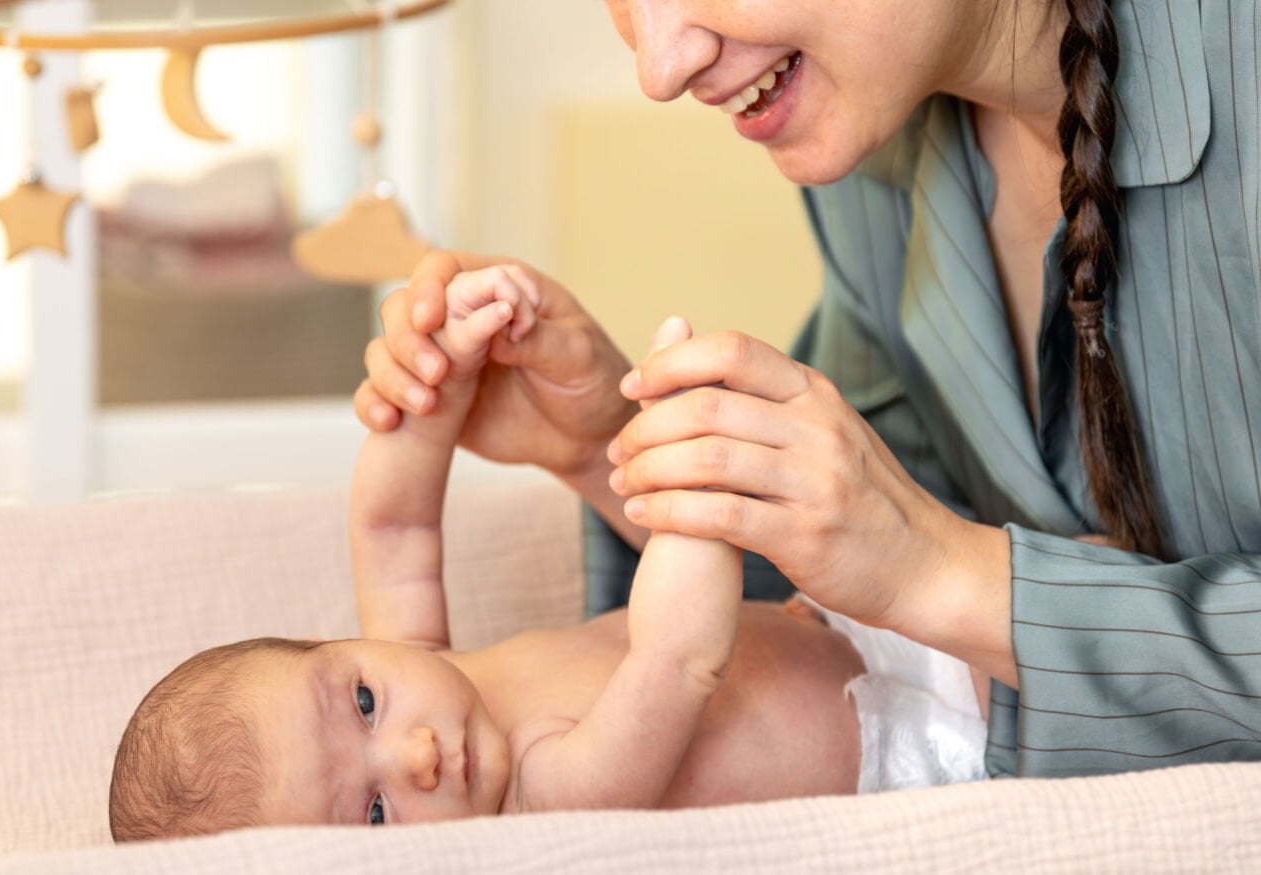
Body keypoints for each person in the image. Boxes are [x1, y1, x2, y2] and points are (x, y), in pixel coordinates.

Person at [357, 1, 1261, 779]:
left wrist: (940, 568)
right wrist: (605, 447)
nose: (659, 66)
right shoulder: (873, 162)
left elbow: (917, 571)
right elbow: (858, 638)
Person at [109, 267, 990, 841]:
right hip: (914, 743)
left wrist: (438, 375)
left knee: (1044, 558)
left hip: (847, 622)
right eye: (375, 814)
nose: (414, 755)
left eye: (365, 702)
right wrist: (687, 489)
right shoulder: (539, 799)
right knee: (1067, 666)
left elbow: (393, 525)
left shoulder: (422, 659)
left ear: (334, 644)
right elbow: (677, 658)